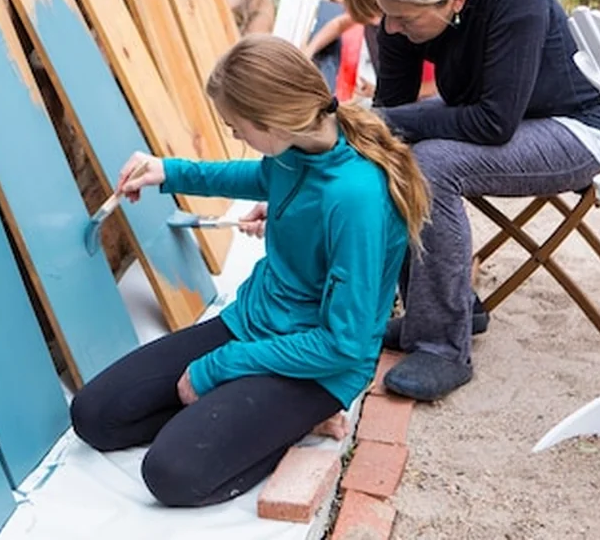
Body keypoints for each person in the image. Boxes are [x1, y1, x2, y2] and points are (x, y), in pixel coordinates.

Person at [68, 34, 430, 508]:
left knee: (170, 473)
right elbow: (255, 176)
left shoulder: (356, 197)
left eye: (238, 128)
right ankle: (245, 418)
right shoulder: (294, 150)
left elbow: (343, 343)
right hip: (253, 324)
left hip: (318, 365)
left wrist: (216, 369)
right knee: (94, 416)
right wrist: (167, 172)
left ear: (274, 122)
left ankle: (296, 420)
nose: (236, 137)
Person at [365, 0, 600, 402]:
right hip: (511, 116)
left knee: (432, 165)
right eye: (386, 16)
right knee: (387, 155)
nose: (391, 30)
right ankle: (442, 306)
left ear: (454, 1)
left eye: (405, 20)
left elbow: (493, 122)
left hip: (575, 128)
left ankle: (442, 348)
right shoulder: (399, 9)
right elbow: (389, 118)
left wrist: (384, 123)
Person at [304, 0, 437, 102]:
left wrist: (380, 91)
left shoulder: (426, 33)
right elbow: (339, 24)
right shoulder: (384, 18)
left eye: (371, 17)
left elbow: (437, 87)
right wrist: (308, 51)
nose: (369, 22)